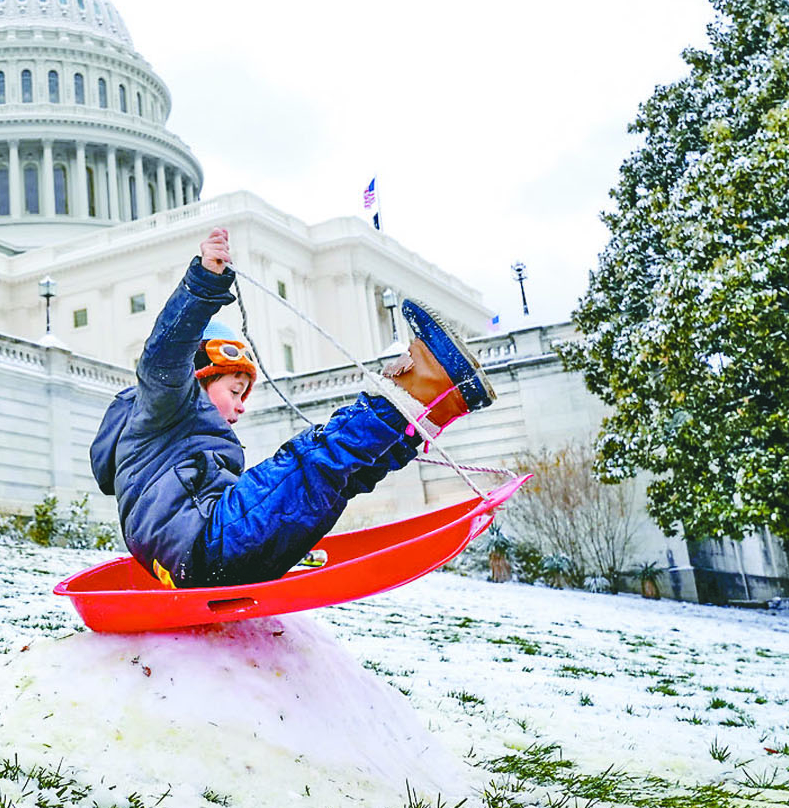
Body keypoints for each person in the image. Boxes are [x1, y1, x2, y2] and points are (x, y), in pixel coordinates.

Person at [89, 227, 496, 590]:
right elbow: (164, 354)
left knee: (337, 479)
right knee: (312, 460)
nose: (242, 406)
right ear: (199, 375)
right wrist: (204, 282)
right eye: (235, 389)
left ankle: (443, 404)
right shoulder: (159, 403)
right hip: (205, 544)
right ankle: (425, 380)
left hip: (205, 558)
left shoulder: (183, 441)